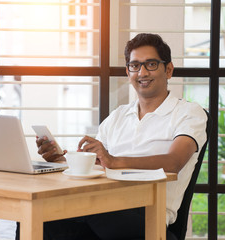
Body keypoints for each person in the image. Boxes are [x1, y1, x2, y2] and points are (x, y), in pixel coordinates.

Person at [16, 33, 207, 240]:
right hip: (102, 208)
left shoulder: (189, 113)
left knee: (88, 203)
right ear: (128, 72)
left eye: (150, 64)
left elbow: (173, 162)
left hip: (147, 216)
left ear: (168, 70)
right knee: (34, 213)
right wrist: (60, 159)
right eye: (135, 65)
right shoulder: (118, 116)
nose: (142, 72)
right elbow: (96, 164)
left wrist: (113, 161)